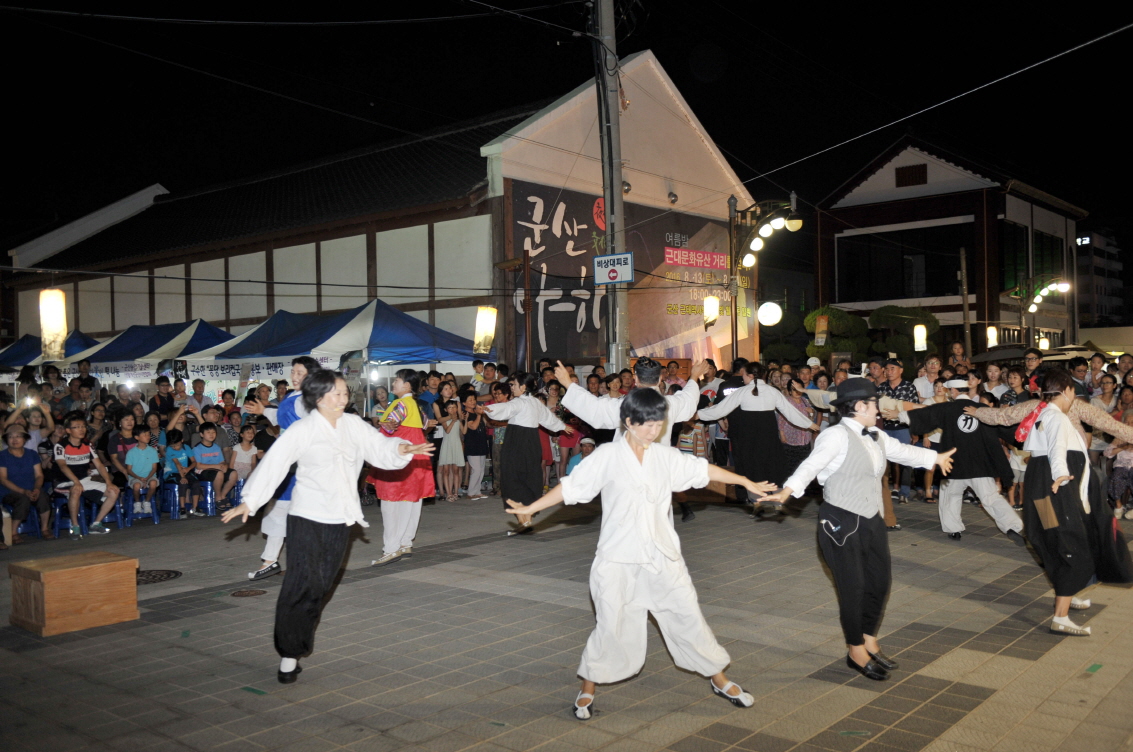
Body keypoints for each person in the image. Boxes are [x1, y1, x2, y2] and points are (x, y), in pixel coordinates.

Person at [504, 388, 775, 718]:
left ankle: (719, 679)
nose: (654, 430)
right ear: (628, 422)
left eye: (659, 423)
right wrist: (532, 507)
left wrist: (745, 481)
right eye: (647, 424)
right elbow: (572, 487)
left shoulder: (665, 457)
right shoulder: (606, 456)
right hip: (617, 558)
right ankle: (587, 688)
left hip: (661, 557)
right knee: (611, 624)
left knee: (687, 616)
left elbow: (704, 470)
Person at [221, 371, 433, 683]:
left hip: (340, 519)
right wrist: (250, 501)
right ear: (319, 397)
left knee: (320, 586)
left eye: (345, 393)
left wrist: (402, 449)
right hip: (306, 517)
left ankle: (297, 639)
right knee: (300, 583)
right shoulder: (304, 429)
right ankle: (289, 654)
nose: (343, 399)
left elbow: (378, 446)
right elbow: (275, 462)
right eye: (337, 393)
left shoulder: (352, 425)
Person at [761, 379, 955, 680]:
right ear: (859, 406)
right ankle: (855, 649)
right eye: (873, 403)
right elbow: (811, 466)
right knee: (853, 588)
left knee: (879, 582)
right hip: (840, 520)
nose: (878, 407)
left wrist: (934, 457)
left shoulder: (876, 433)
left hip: (871, 518)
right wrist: (788, 491)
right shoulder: (834, 436)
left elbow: (903, 452)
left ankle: (869, 637)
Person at [1017, 369, 1133, 636]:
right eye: (1073, 392)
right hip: (1058, 491)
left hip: (1043, 493)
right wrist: (1059, 475)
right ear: (1067, 391)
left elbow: (1035, 453)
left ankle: (1067, 593)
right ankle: (1061, 617)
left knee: (1056, 541)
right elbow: (1057, 451)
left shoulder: (1041, 415)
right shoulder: (1056, 417)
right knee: (1071, 545)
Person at [890, 376, 1025, 544]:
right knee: (991, 498)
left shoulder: (948, 408)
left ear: (953, 391)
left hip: (953, 463)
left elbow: (925, 415)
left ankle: (953, 529)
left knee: (950, 496)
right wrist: (1025, 438)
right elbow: (1004, 425)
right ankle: (1013, 526)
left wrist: (900, 416)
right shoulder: (982, 408)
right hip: (979, 464)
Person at [242, 357, 320, 579]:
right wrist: (264, 409)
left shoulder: (309, 400)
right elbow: (283, 418)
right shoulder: (294, 397)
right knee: (281, 509)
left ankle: (281, 560)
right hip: (289, 460)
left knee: (292, 510)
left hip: (301, 462)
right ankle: (271, 560)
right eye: (293, 372)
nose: (295, 377)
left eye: (300, 373)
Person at [698, 362, 818, 506]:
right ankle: (777, 500)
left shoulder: (742, 392)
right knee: (772, 466)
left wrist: (698, 414)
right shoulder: (772, 391)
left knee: (752, 467)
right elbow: (790, 412)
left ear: (748, 375)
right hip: (768, 435)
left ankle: (756, 501)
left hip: (748, 436)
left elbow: (720, 409)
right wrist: (810, 424)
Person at [480, 372, 571, 535]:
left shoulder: (520, 403)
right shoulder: (535, 403)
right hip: (531, 443)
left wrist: (489, 408)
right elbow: (547, 418)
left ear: (523, 387)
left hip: (517, 443)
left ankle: (525, 521)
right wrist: (562, 427)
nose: (511, 387)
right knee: (527, 478)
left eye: (513, 385)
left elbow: (507, 408)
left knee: (512, 480)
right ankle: (525, 521)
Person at [370, 369, 437, 565]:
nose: (393, 383)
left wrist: (382, 428)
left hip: (400, 455)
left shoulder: (399, 404)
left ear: (407, 385)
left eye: (397, 380)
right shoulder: (415, 405)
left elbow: (389, 425)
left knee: (391, 502)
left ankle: (391, 548)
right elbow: (426, 424)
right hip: (417, 455)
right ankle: (405, 542)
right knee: (411, 501)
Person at [53, 414, 122, 538]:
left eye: (83, 426)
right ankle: (75, 527)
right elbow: (63, 466)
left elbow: (99, 465)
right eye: (77, 427)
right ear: (68, 430)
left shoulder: (88, 445)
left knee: (114, 491)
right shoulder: (61, 445)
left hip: (84, 480)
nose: (81, 429)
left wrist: (108, 482)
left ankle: (96, 524)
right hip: (65, 481)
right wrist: (76, 482)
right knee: (76, 490)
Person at [0, 428, 50, 542]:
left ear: (24, 439)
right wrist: (23, 491)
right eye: (11, 437)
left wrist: (36, 489)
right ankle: (13, 532)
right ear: (6, 440)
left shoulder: (31, 454)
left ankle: (45, 528)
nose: (14, 439)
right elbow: (3, 479)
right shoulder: (2, 456)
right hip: (9, 491)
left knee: (43, 496)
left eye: (18, 436)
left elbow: (39, 475)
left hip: (31, 489)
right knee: (23, 499)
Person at [125, 426, 161, 514]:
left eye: (148, 434)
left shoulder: (152, 451)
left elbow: (154, 468)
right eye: (145, 435)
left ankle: (147, 502)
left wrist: (147, 478)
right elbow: (129, 470)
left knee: (153, 483)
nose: (148, 436)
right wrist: (139, 478)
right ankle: (137, 503)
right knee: (136, 485)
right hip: (135, 477)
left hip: (150, 476)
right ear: (137, 437)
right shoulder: (131, 452)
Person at [163, 428, 199, 516]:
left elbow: (194, 462)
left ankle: (195, 508)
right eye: (173, 446)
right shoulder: (169, 450)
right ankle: (182, 508)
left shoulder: (186, 448)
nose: (175, 448)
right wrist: (183, 477)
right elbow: (177, 464)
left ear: (182, 441)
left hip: (184, 471)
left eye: (177, 445)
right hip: (171, 473)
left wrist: (188, 469)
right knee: (183, 482)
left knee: (196, 483)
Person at [461, 393, 489, 500]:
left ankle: (477, 491)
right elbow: (473, 426)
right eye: (470, 400)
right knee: (476, 469)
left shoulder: (477, 412)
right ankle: (471, 492)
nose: (473, 401)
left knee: (481, 469)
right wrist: (478, 415)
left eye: (474, 399)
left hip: (481, 443)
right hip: (472, 445)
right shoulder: (465, 414)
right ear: (464, 403)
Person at [437, 399, 464, 502]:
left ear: (457, 409)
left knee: (456, 470)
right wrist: (453, 420)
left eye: (454, 407)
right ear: (446, 410)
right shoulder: (444, 420)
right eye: (450, 408)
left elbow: (463, 432)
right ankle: (448, 493)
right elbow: (447, 431)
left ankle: (456, 492)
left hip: (456, 445)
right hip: (447, 445)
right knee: (446, 470)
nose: (452, 410)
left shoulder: (458, 421)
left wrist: (461, 421)